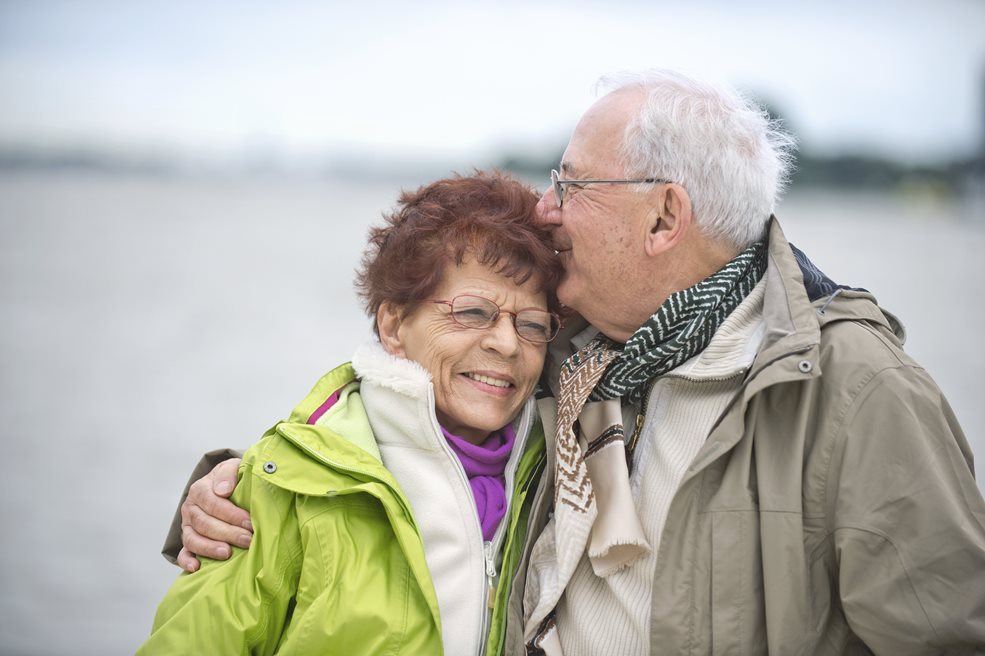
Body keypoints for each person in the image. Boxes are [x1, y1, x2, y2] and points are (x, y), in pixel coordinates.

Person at [172, 70, 985, 654]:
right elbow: (387, 412)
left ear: (664, 215)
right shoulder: (558, 343)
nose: (544, 207)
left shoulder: (854, 391)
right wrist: (232, 491)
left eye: (572, 184)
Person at [140, 171, 563, 655]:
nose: (507, 343)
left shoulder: (560, 474)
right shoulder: (283, 486)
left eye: (531, 324)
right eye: (472, 312)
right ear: (394, 324)